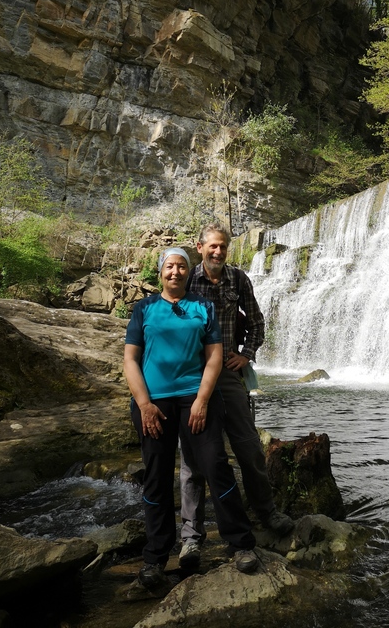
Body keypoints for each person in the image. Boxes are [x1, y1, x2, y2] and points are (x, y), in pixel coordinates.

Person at [123, 246, 257, 588]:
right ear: (160, 272)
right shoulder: (144, 308)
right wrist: (144, 404)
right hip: (154, 402)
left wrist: (202, 399)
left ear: (188, 272)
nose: (175, 272)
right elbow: (130, 361)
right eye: (169, 266)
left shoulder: (203, 306)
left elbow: (214, 357)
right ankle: (154, 558)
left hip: (196, 398)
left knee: (215, 466)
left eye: (181, 266)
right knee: (156, 476)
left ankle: (240, 544)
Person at [178, 224, 294, 569]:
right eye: (212, 247)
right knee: (192, 460)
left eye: (223, 248)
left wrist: (246, 354)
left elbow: (257, 323)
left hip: (228, 374)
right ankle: (191, 536)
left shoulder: (239, 279)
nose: (217, 252)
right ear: (200, 247)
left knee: (248, 447)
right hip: (192, 376)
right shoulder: (187, 280)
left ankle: (266, 513)